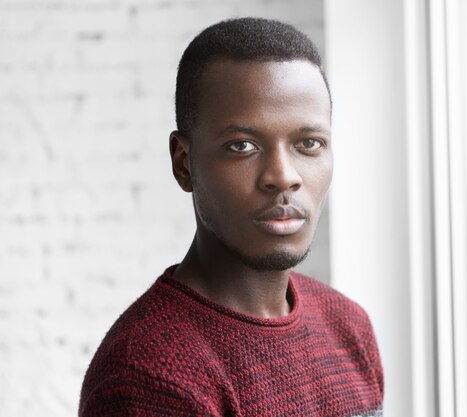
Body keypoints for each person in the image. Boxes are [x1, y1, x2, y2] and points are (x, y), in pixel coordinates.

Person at [79, 17, 384, 417]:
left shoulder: (348, 327)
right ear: (184, 163)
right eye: (242, 145)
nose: (283, 177)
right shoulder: (149, 376)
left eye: (309, 143)